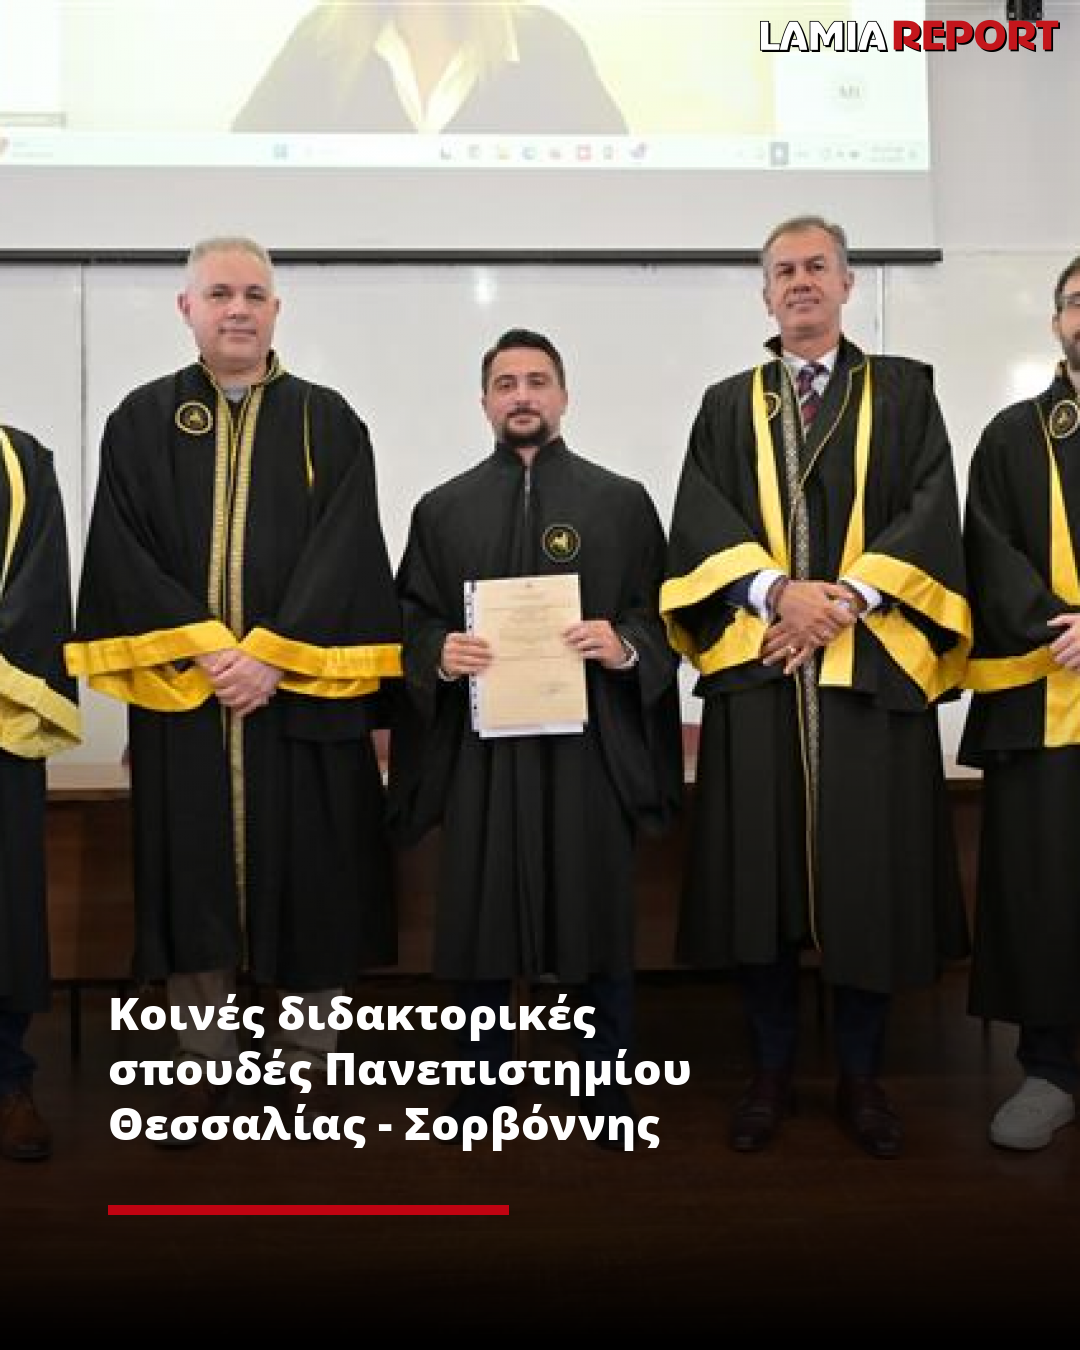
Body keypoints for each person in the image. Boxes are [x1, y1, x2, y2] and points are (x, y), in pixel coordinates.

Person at [65, 236, 402, 1141]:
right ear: (189, 309)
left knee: (316, 864)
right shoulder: (140, 420)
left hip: (300, 699)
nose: (239, 308)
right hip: (189, 697)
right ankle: (204, 1051)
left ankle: (310, 1052)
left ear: (277, 309)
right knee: (192, 863)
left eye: (255, 293)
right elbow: (124, 552)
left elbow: (346, 553)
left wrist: (273, 656)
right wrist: (214, 652)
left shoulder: (328, 420)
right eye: (220, 293)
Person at [661, 215, 972, 1159]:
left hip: (867, 673)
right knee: (762, 890)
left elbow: (931, 506)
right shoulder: (727, 405)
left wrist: (844, 598)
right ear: (765, 295)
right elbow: (700, 519)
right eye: (783, 271)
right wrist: (778, 594)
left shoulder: (906, 392)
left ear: (846, 284)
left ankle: (863, 1078)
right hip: (765, 671)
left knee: (866, 886)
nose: (800, 282)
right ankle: (769, 1074)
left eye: (816, 267)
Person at [388, 328, 682, 1146]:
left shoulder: (621, 502)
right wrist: (436, 653)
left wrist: (623, 645)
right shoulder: (441, 509)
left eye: (538, 381)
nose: (522, 395)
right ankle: (479, 1090)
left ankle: (603, 1092)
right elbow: (410, 619)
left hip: (588, 748)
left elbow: (661, 617)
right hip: (482, 754)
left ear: (564, 396)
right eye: (506, 383)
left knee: (595, 917)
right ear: (484, 402)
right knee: (479, 919)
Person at [959, 255, 1080, 1152]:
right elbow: (986, 548)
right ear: (1056, 322)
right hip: (1045, 695)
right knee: (1046, 889)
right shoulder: (1012, 435)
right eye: (1078, 302)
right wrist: (1058, 625)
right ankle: (1051, 1070)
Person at [0, 423, 80, 1161]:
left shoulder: (19, 460)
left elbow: (39, 590)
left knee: (5, 911)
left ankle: (7, 1082)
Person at [232, 2, 627, 134]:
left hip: (519, 285)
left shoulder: (543, 42)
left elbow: (611, 185)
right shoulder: (321, 42)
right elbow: (245, 168)